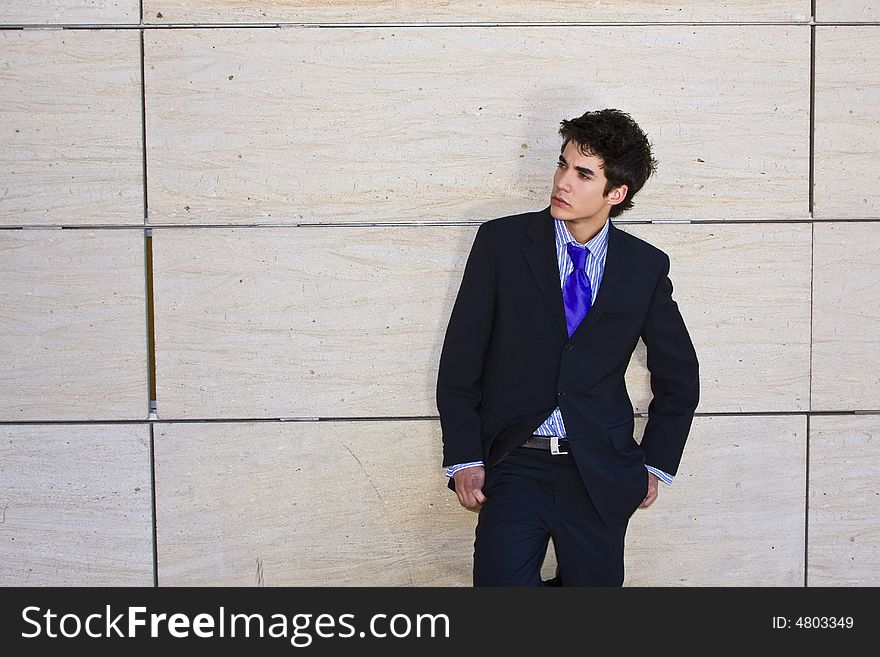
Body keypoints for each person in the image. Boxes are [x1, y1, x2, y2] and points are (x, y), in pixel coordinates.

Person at [436, 109, 699, 586]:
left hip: (599, 473)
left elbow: (679, 375)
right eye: (562, 164)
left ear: (616, 193)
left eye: (583, 173)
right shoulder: (501, 243)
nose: (562, 181)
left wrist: (655, 463)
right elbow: (460, 362)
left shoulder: (643, 267)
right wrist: (466, 458)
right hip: (514, 464)